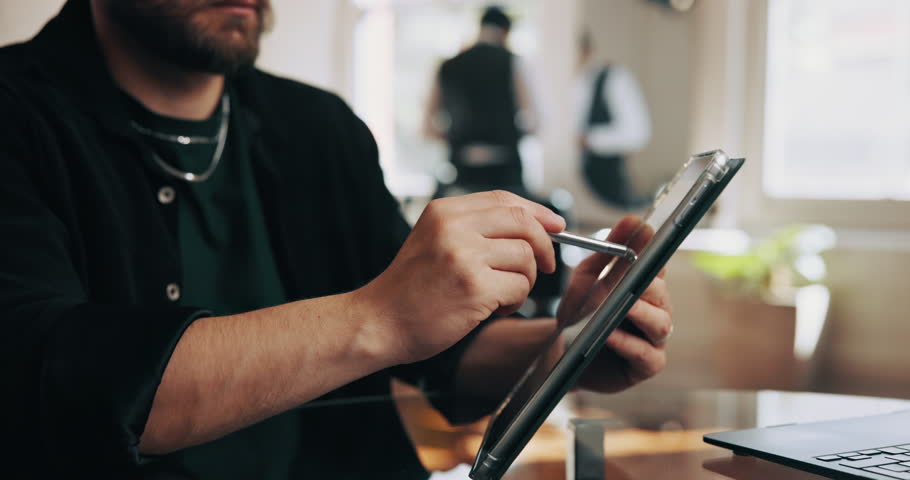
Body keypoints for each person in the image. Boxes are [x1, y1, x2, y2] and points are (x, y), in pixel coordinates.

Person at [0, 1, 672, 478]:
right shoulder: (17, 115)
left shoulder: (318, 128)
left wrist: (565, 345)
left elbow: (441, 352)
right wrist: (381, 315)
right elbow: (57, 386)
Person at [423, 5, 539, 198]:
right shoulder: (513, 62)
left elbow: (428, 128)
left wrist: (455, 137)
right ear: (506, 31)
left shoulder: (447, 66)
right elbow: (535, 123)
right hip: (506, 170)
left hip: (462, 169)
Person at [575, 31, 653, 210]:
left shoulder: (614, 78)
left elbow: (637, 133)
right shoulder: (572, 83)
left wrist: (589, 139)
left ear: (586, 51)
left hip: (609, 187)